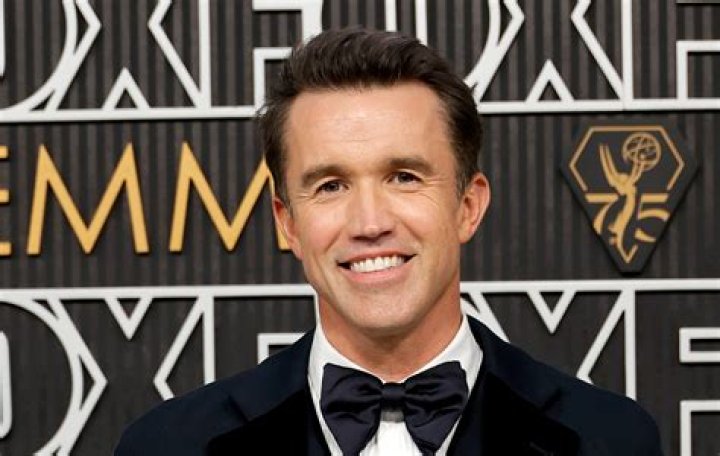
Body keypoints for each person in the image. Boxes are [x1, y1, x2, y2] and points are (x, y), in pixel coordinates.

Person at [115, 28, 662, 456]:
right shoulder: (169, 447)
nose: (369, 221)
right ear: (288, 224)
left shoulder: (609, 440)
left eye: (404, 176)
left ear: (467, 206)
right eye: (331, 186)